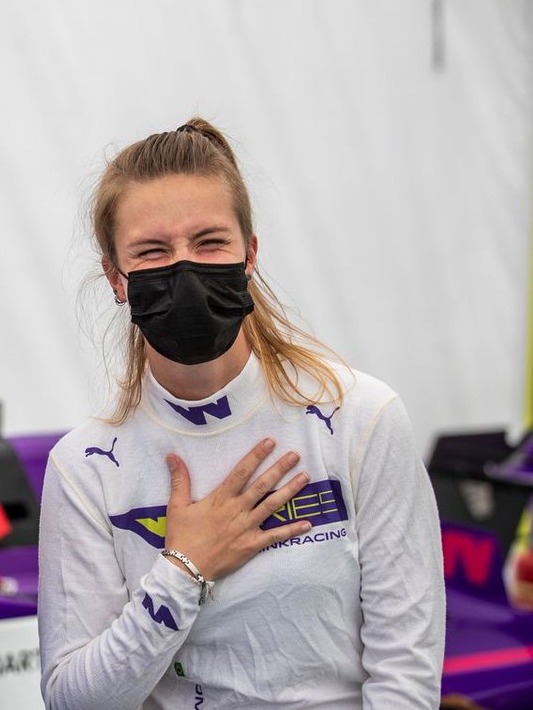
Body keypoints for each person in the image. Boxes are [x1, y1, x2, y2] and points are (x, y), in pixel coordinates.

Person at [38, 119, 445, 708]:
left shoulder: (363, 418)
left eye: (209, 242)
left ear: (250, 253)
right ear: (115, 278)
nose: (184, 266)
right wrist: (183, 570)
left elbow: (406, 671)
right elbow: (72, 700)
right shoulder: (85, 467)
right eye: (152, 251)